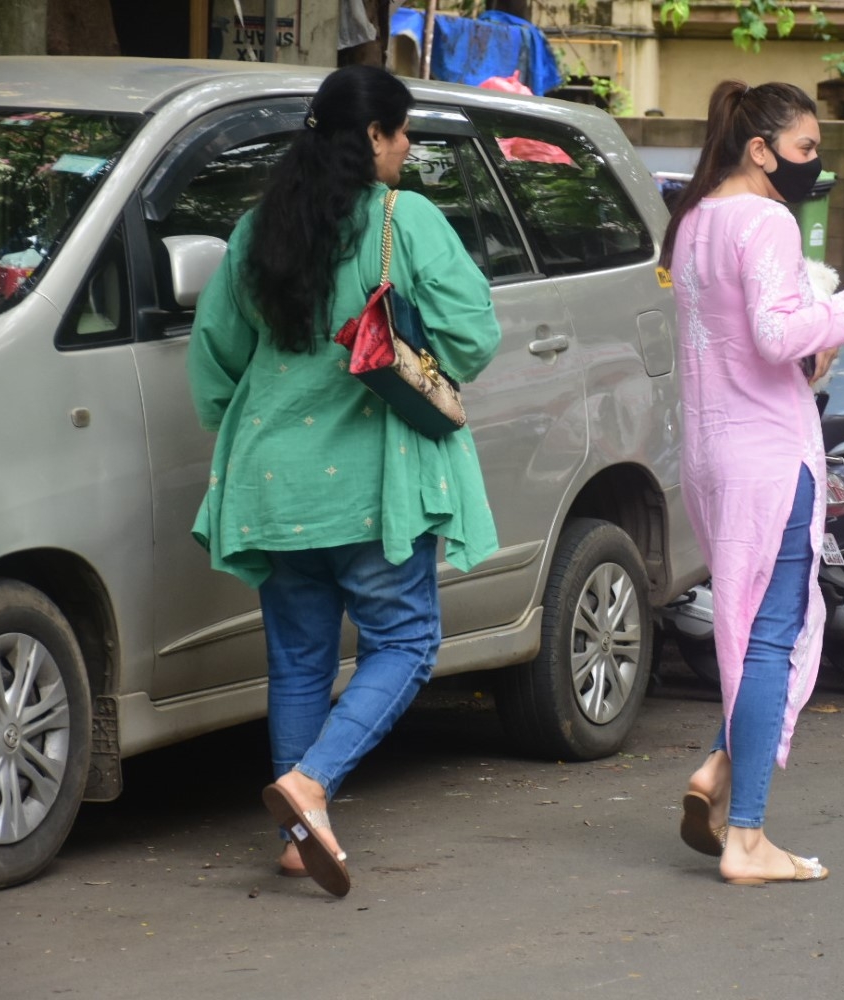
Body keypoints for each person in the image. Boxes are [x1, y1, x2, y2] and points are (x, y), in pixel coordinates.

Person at [186, 65, 502, 898]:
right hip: (369, 482)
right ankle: (311, 783)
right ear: (371, 137)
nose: (405, 150)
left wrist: (259, 432)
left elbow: (215, 362)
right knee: (404, 643)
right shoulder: (407, 218)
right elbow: (472, 336)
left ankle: (300, 838)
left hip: (273, 485)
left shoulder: (257, 230)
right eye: (400, 133)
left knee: (298, 661)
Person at [664, 80, 844, 885]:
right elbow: (779, 338)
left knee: (749, 628)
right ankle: (746, 836)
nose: (817, 164)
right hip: (769, 456)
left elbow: (747, 344)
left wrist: (818, 339)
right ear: (761, 148)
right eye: (806, 149)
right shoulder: (766, 219)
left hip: (711, 454)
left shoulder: (695, 220)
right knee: (770, 636)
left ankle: (719, 770)